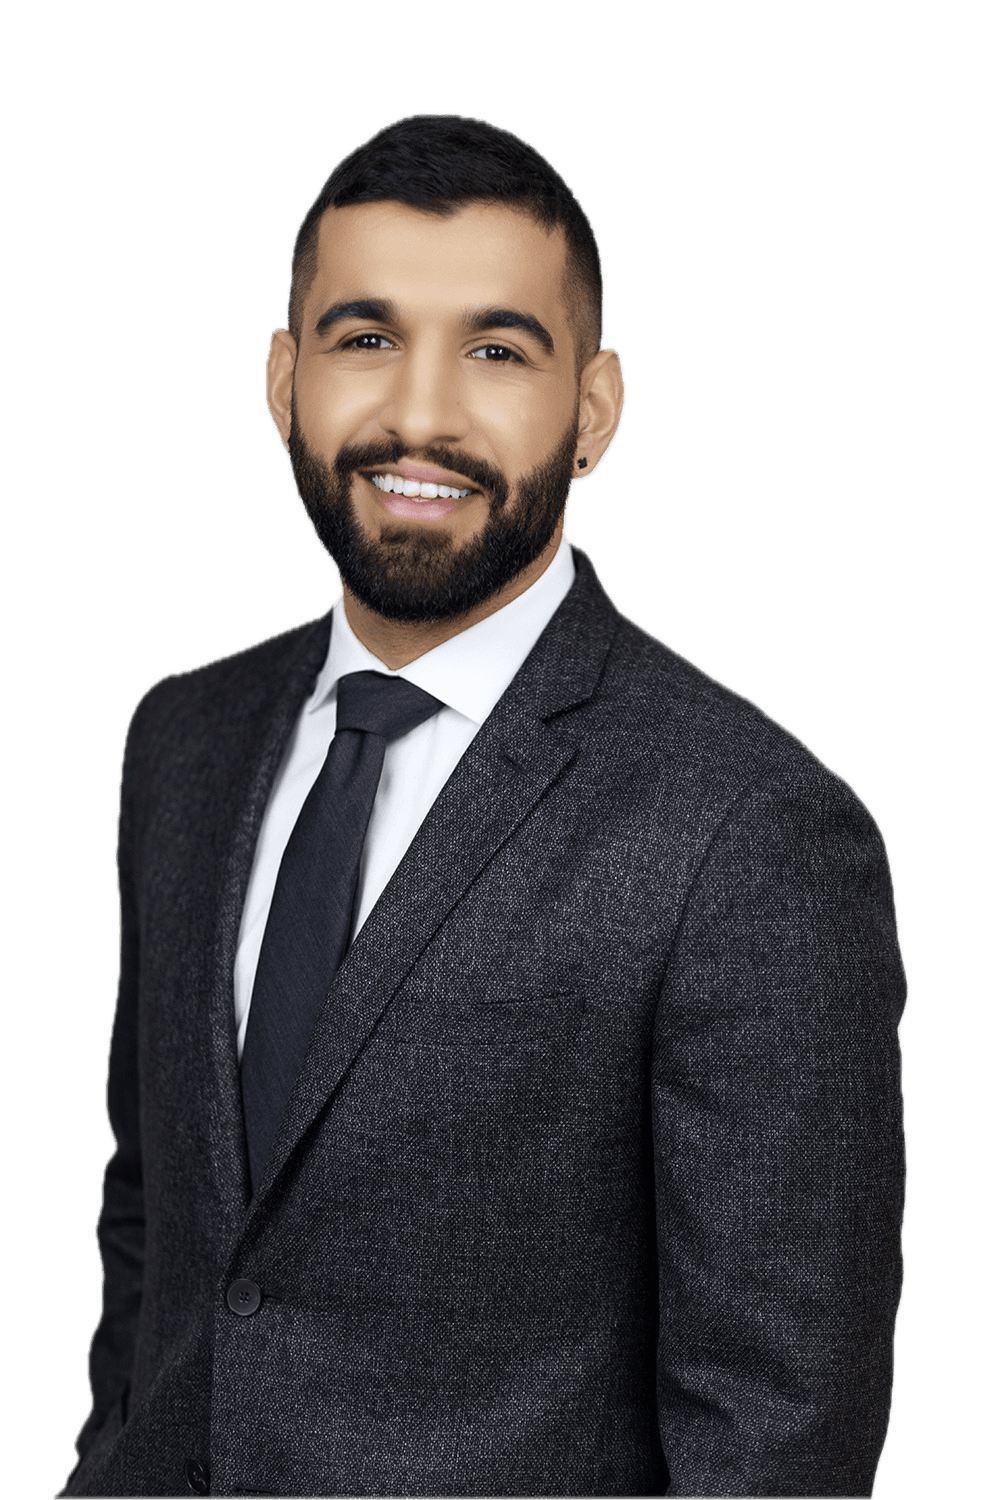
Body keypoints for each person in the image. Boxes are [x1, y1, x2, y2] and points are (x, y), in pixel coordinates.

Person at [60, 113, 907, 1500]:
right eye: (365, 337)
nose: (423, 415)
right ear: (283, 380)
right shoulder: (183, 738)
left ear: (596, 410)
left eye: (498, 351)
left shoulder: (752, 831)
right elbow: (158, 1217)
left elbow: (780, 1428)